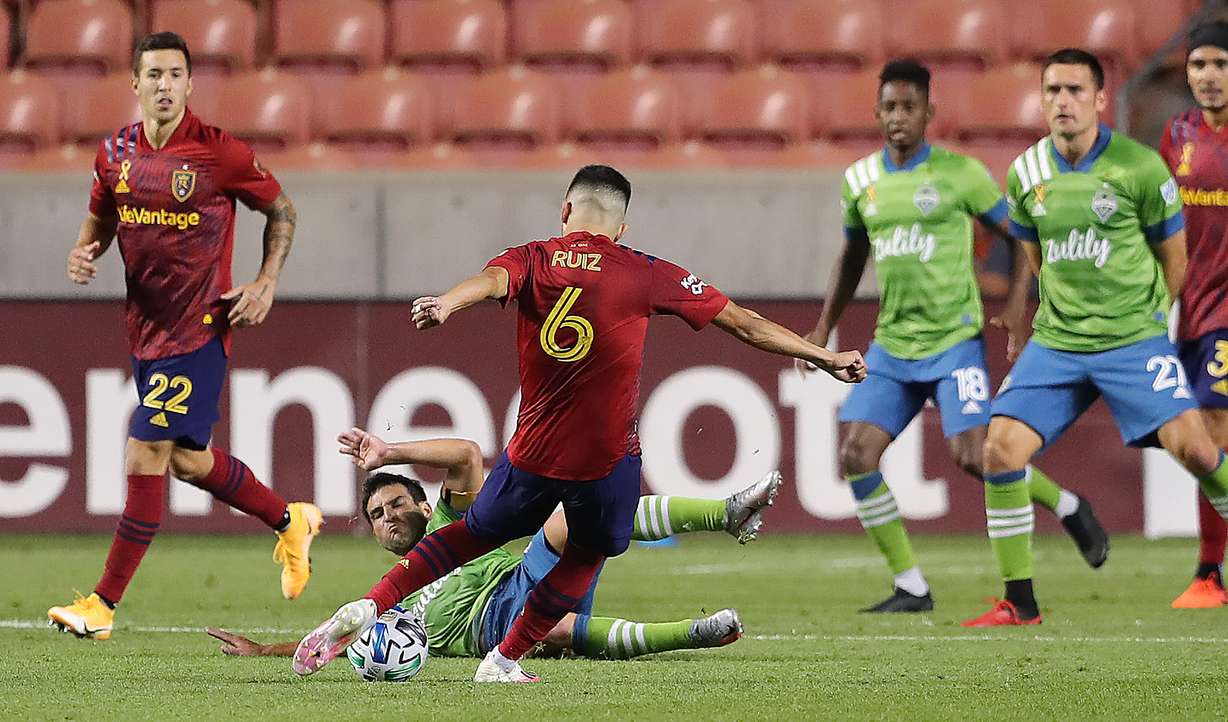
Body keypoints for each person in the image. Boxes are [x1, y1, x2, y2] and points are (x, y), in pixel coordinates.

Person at [291, 164, 867, 682]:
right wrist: (824, 356)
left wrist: (446, 303)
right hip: (602, 460)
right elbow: (741, 322)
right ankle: (504, 660)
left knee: (466, 537)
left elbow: (490, 282)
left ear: (565, 210)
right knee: (590, 550)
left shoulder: (533, 257)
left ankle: (373, 602)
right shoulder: (645, 271)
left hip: (532, 453)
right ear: (622, 226)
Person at [802, 59, 1108, 613]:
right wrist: (824, 325)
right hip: (893, 346)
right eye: (889, 107)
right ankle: (911, 587)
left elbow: (1021, 236)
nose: (898, 117)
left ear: (929, 113)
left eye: (909, 107)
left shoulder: (961, 174)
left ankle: (1067, 504)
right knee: (856, 455)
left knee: (975, 455)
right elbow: (852, 256)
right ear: (876, 113)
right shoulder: (859, 180)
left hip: (953, 344)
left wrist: (1017, 307)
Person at [48, 32, 319, 641]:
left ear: (190, 84)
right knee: (189, 463)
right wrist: (84, 250)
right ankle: (291, 520)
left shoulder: (219, 153)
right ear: (135, 83)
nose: (165, 85)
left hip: (200, 329)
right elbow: (102, 216)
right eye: (154, 74)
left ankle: (102, 604)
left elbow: (282, 209)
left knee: (145, 451)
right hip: (145, 332)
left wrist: (266, 282)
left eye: (175, 74)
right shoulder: (114, 152)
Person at [963, 48, 1228, 627]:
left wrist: (1151, 319)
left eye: (1075, 90)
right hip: (1059, 343)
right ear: (1042, 99)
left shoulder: (1140, 168)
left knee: (1197, 451)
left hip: (1132, 340)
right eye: (1053, 90)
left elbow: (1174, 258)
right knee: (999, 450)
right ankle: (1019, 602)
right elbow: (1034, 254)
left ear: (1101, 99)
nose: (1063, 101)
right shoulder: (1025, 172)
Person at [207, 428, 780, 661]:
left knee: (573, 515)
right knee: (552, 629)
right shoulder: (387, 599)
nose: (389, 517)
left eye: (397, 503)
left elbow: (464, 454)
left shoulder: (448, 524)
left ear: (424, 507)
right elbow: (336, 638)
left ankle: (724, 513)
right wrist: (264, 650)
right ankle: (692, 635)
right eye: (377, 515)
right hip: (490, 632)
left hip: (516, 581)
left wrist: (391, 452)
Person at [1158, 22, 1228, 609]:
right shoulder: (1176, 135)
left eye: (1221, 64)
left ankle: (1209, 570)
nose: (1209, 76)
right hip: (1193, 310)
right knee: (1199, 438)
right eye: (1199, 64)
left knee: (1211, 431)